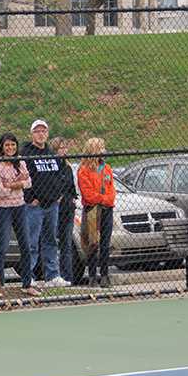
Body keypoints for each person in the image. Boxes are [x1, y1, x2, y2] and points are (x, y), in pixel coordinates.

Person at [0, 134, 39, 298]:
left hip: (19, 206)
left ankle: (27, 284)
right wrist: (17, 183)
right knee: (3, 246)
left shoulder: (20, 162)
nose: (10, 148)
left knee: (25, 244)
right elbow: (0, 192)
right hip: (3, 209)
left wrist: (10, 184)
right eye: (7, 145)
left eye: (13, 145)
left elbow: (29, 183)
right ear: (2, 147)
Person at [21, 120, 69, 287]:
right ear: (32, 134)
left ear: (47, 134)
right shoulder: (26, 153)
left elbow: (62, 174)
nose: (40, 134)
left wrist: (59, 194)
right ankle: (29, 276)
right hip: (34, 206)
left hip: (52, 205)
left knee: (51, 240)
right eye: (37, 131)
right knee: (31, 242)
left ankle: (52, 275)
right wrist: (29, 198)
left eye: (43, 131)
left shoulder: (51, 153)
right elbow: (22, 177)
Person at [77, 137, 115, 288]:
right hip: (92, 210)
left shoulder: (106, 168)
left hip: (107, 210)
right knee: (93, 243)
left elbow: (112, 191)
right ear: (93, 151)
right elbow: (88, 195)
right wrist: (102, 198)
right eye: (100, 148)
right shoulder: (84, 170)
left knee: (105, 243)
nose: (103, 151)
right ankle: (92, 276)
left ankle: (105, 275)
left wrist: (106, 200)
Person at [50, 136, 77, 284]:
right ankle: (54, 275)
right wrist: (56, 196)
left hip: (68, 209)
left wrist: (73, 197)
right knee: (53, 242)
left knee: (66, 244)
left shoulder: (67, 167)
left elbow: (71, 186)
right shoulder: (52, 166)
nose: (64, 151)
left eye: (65, 148)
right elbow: (52, 185)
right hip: (55, 209)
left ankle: (68, 277)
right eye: (61, 148)